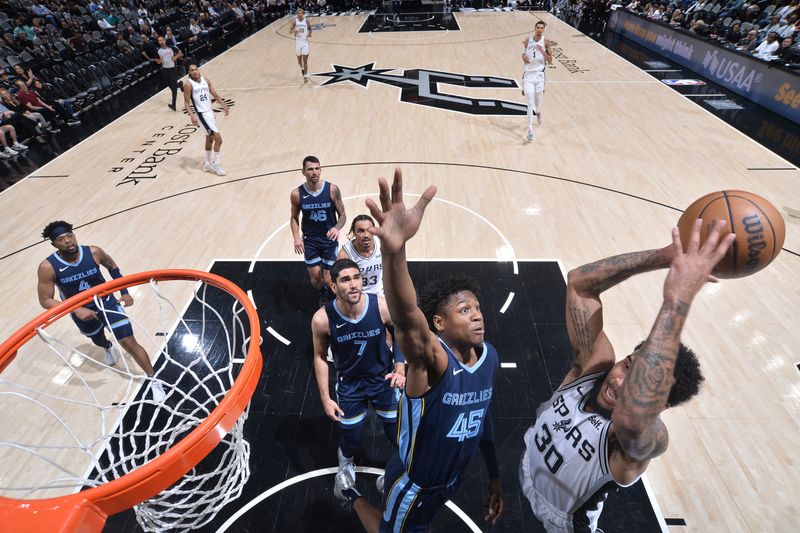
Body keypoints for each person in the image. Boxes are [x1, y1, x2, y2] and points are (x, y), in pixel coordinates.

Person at [518, 219, 734, 532]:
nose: (619, 381)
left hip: (563, 524)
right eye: (627, 366)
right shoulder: (594, 366)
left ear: (663, 404)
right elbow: (580, 283)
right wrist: (662, 256)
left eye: (638, 382)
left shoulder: (642, 439)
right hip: (528, 468)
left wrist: (677, 300)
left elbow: (632, 419)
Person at [334, 169, 505, 532]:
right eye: (464, 310)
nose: (476, 315)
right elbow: (408, 319)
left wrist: (493, 476)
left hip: (451, 480)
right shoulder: (432, 359)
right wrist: (395, 253)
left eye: (476, 308)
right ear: (439, 323)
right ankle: (351, 495)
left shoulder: (488, 356)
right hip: (415, 483)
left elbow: (483, 415)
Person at [37, 221, 167, 401]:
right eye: (61, 239)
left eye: (70, 236)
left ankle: (154, 380)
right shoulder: (47, 267)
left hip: (107, 303)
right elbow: (45, 300)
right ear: (54, 244)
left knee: (129, 342)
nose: (67, 241)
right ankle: (107, 347)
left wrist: (125, 291)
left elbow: (112, 267)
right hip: (81, 311)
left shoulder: (94, 252)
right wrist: (76, 309)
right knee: (98, 340)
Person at [312, 259, 405, 495]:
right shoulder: (322, 319)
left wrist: (400, 368)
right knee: (351, 437)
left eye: (356, 278)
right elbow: (320, 357)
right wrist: (325, 398)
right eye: (345, 280)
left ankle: (399, 470)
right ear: (333, 287)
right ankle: (345, 464)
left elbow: (400, 334)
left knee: (396, 434)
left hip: (383, 381)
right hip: (350, 385)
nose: (353, 284)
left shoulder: (381, 306)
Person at [289, 155, 347, 304]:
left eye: (317, 169)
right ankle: (322, 292)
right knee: (315, 279)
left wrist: (336, 227)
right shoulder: (297, 194)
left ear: (320, 170)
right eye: (310, 169)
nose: (314, 172)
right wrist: (296, 237)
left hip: (329, 240)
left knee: (328, 279)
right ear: (303, 172)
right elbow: (294, 218)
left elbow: (342, 215)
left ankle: (330, 297)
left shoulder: (332, 190)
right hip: (310, 241)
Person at [183, 61, 229, 175]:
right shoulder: (188, 85)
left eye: (196, 69)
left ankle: (207, 163)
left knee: (209, 139)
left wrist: (223, 105)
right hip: (202, 115)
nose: (195, 72)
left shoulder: (206, 80)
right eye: (192, 70)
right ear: (188, 73)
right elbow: (187, 103)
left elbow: (215, 94)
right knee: (219, 139)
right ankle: (216, 164)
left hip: (209, 112)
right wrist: (192, 115)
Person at [522, 20, 553, 142]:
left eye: (542, 27)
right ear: (534, 28)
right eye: (538, 27)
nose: (539, 29)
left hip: (540, 76)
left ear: (543, 30)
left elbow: (550, 60)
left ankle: (539, 112)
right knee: (530, 104)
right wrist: (523, 56)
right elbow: (524, 53)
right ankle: (530, 130)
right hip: (528, 75)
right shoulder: (527, 40)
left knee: (538, 103)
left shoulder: (546, 41)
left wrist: (542, 51)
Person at [338, 214, 383, 295]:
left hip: (380, 294)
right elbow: (340, 282)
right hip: (358, 297)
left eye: (369, 230)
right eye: (361, 231)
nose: (366, 235)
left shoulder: (382, 244)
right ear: (354, 233)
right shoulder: (345, 254)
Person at [155, 35, 183, 111]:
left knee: (173, 89)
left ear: (164, 40)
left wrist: (178, 55)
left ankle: (173, 105)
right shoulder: (158, 51)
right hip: (165, 70)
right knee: (170, 87)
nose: (161, 42)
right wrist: (158, 61)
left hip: (172, 69)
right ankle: (180, 84)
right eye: (159, 41)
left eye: (162, 40)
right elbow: (160, 61)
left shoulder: (171, 48)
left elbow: (174, 59)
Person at [289, 8, 312, 83]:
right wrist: (294, 31)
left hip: (305, 42)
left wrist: (310, 33)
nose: (299, 14)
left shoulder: (306, 21)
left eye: (300, 13)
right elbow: (290, 31)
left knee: (305, 60)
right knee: (299, 61)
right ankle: (302, 68)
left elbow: (310, 28)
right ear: (297, 14)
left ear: (303, 14)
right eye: (298, 13)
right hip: (298, 42)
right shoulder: (294, 22)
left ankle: (305, 76)